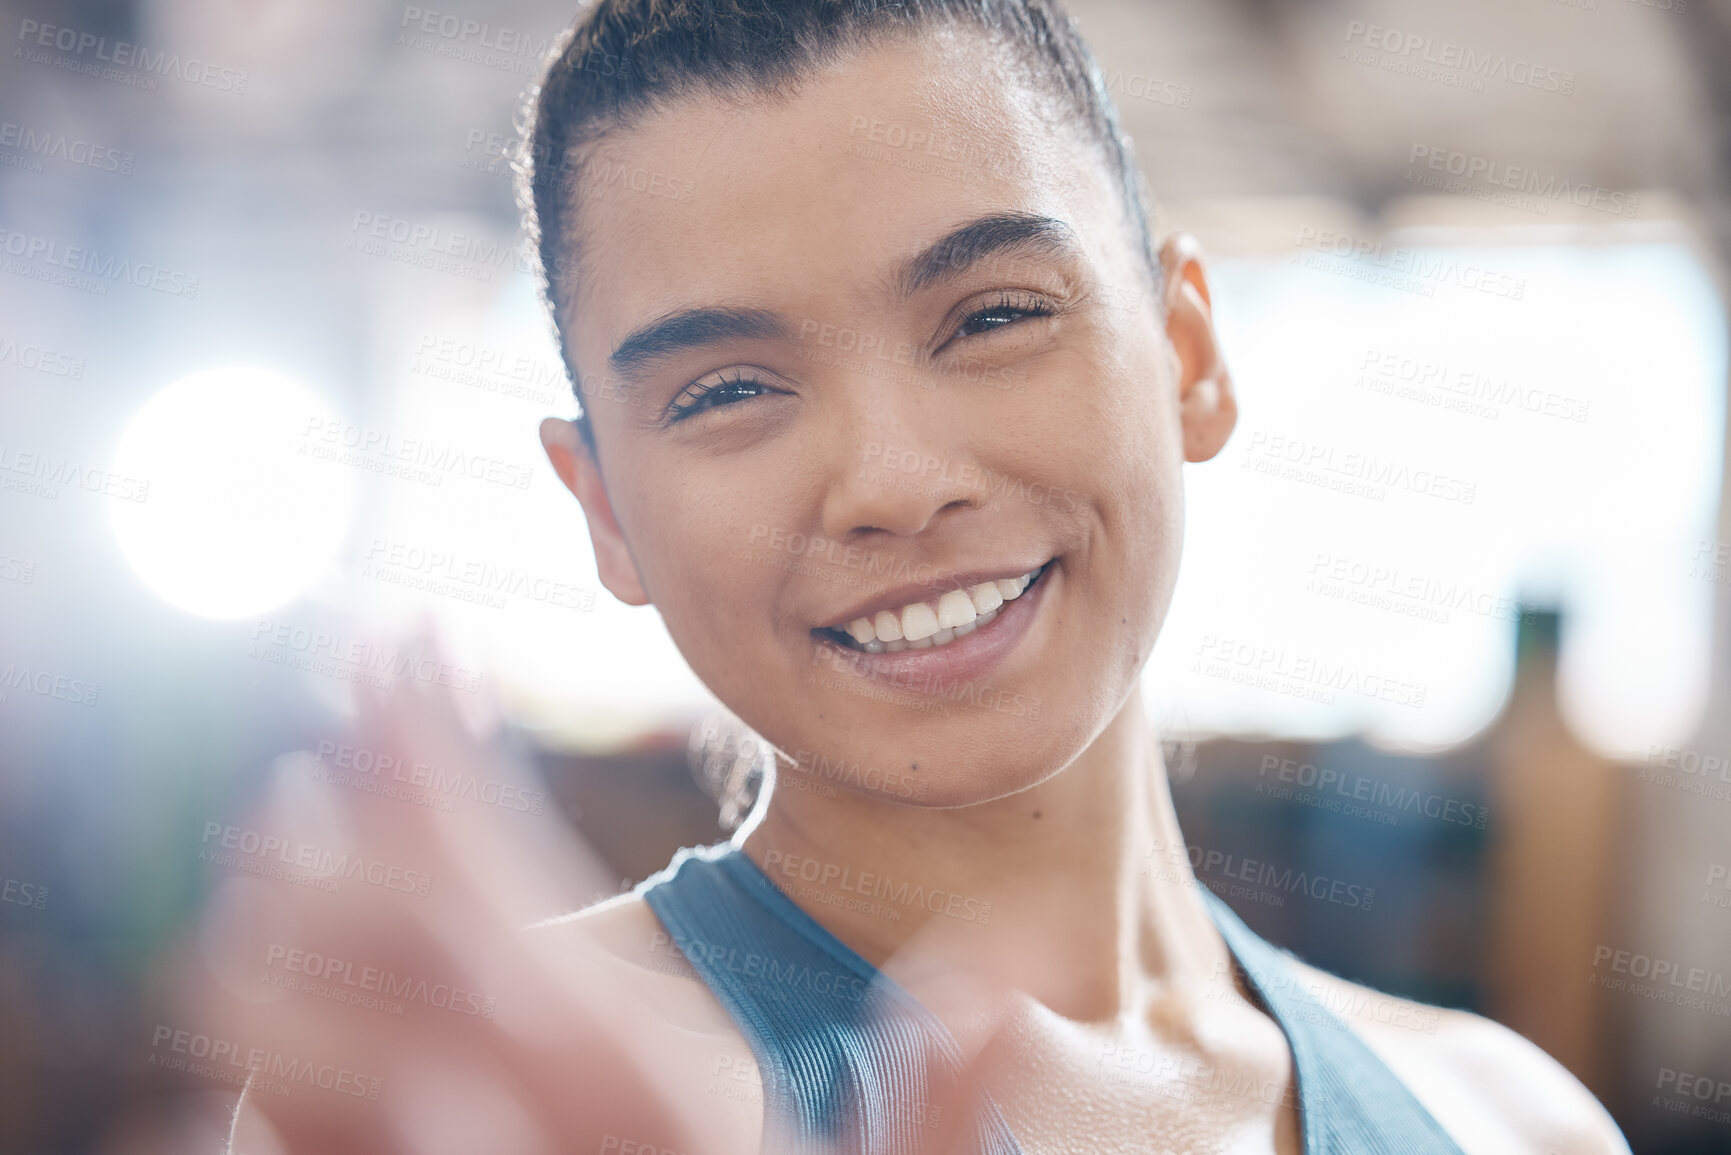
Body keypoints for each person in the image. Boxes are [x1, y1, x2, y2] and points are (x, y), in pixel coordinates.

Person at [224, 0, 1632, 1151]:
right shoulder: (489, 1105)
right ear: (603, 512)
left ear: (1189, 357)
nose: (894, 480)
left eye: (996, 314)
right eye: (725, 392)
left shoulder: (1510, 1125)